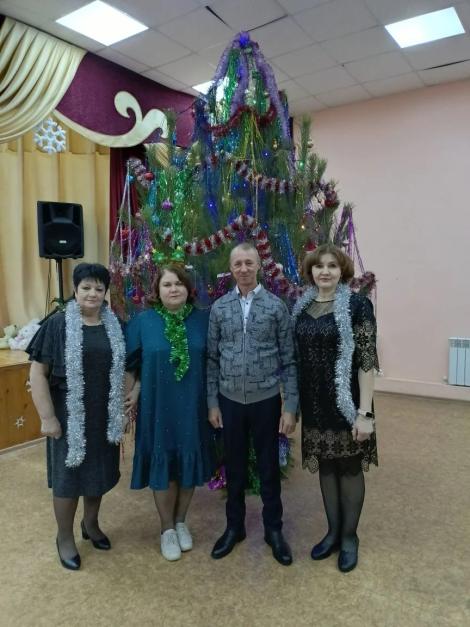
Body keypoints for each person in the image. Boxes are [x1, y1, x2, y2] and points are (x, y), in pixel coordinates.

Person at [27, 263, 127, 571]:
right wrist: (47, 418)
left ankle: (91, 524)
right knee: (68, 479)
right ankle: (64, 536)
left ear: (105, 292)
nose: (92, 294)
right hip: (68, 417)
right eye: (86, 288)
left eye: (99, 288)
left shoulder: (114, 324)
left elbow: (128, 367)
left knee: (98, 474)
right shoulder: (57, 324)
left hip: (104, 415)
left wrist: (130, 396)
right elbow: (37, 374)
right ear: (75, 290)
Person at [207, 242, 298, 566]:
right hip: (230, 401)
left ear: (259, 265)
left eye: (249, 262)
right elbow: (212, 360)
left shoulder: (276, 307)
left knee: (268, 467)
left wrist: (290, 407)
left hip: (266, 401)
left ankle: (274, 529)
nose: (243, 269)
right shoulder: (219, 308)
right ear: (231, 269)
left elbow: (289, 360)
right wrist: (212, 402)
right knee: (233, 467)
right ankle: (235, 527)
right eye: (238, 264)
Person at [292, 243, 378, 573]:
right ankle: (332, 533)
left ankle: (350, 537)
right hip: (315, 403)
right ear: (310, 271)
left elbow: (367, 361)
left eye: (332, 265)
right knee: (327, 467)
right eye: (319, 266)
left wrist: (365, 413)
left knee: (350, 468)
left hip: (348, 403)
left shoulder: (357, 306)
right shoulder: (302, 307)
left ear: (342, 270)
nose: (325, 271)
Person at [125, 263, 212, 561]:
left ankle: (181, 521)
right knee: (163, 461)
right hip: (157, 405)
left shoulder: (203, 320)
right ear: (157, 291)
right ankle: (166, 529)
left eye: (179, 284)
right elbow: (131, 365)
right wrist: (133, 391)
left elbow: (214, 361)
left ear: (188, 289)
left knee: (187, 461)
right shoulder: (143, 322)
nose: (173, 289)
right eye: (167, 284)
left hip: (193, 404)